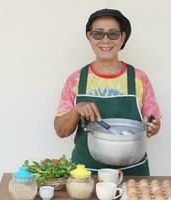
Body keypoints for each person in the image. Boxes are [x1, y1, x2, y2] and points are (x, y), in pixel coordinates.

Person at [54, 8, 161, 176]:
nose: (105, 40)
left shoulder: (139, 79)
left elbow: (152, 122)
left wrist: (153, 126)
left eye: (113, 34)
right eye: (98, 34)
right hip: (85, 174)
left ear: (122, 37)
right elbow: (61, 131)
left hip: (132, 175)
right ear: (89, 37)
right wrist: (75, 111)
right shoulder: (75, 80)